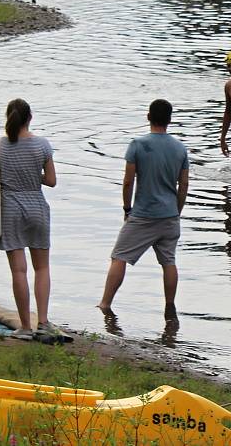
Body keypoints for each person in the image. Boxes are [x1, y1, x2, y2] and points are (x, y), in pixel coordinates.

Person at [97, 99, 189, 316]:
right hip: (170, 215)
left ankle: (105, 304)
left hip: (144, 215)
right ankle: (169, 307)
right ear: (169, 120)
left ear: (148, 116)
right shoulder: (180, 148)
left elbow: (128, 181)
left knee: (119, 257)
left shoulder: (137, 145)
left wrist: (127, 209)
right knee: (169, 261)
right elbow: (183, 184)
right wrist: (177, 210)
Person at [0, 99, 58, 341]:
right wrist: (34, 175)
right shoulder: (42, 145)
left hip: (10, 210)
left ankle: (25, 326)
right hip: (36, 206)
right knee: (42, 267)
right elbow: (52, 181)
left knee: (19, 270)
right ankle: (43, 322)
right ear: (30, 118)